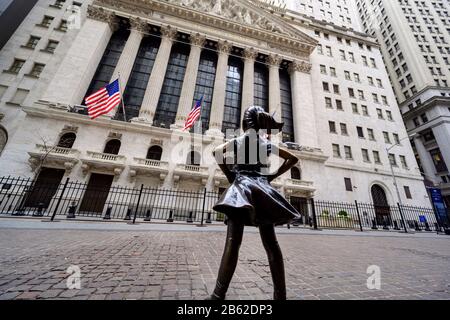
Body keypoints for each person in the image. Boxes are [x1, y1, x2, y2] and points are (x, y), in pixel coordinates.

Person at [208, 106, 301, 300]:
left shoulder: (239, 140)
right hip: (261, 189)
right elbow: (292, 159)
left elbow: (217, 153)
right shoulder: (266, 143)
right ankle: (280, 296)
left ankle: (218, 295)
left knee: (233, 244)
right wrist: (271, 177)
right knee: (271, 244)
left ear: (245, 122)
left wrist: (230, 175)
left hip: (241, 188)